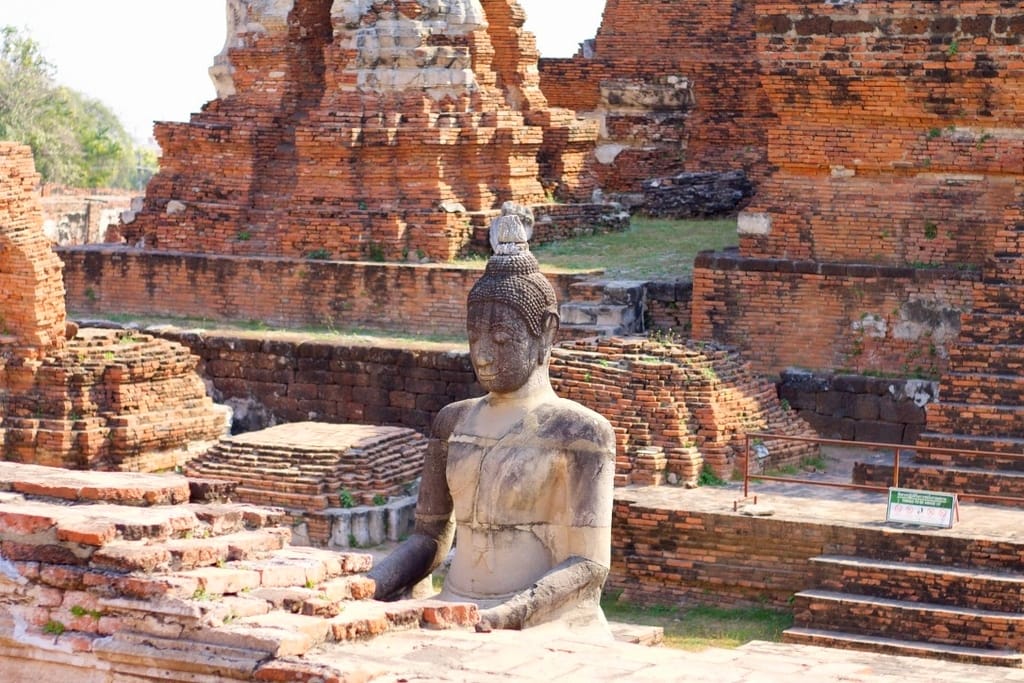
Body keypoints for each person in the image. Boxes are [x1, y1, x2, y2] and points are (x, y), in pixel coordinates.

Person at [368, 209, 616, 632]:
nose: (483, 353)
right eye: (474, 338)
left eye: (501, 338)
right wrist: (371, 583)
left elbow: (589, 563)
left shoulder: (579, 433)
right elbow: (429, 539)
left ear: (546, 332)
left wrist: (508, 614)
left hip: (541, 621)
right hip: (452, 608)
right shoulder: (453, 422)